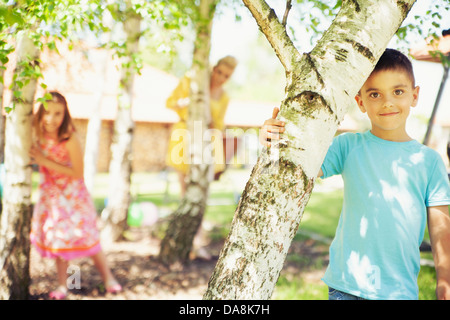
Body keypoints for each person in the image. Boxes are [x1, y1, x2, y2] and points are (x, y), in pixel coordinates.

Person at [259, 49, 450, 300]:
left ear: (414, 96)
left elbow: (441, 231)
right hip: (346, 287)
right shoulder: (347, 146)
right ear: (360, 102)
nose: (388, 102)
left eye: (398, 91)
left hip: (399, 292)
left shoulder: (429, 162)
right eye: (374, 94)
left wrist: (444, 283)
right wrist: (271, 141)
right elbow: (298, 166)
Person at [29, 91, 122, 300]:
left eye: (58, 114)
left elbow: (77, 172)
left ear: (65, 115)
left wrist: (44, 162)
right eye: (48, 113)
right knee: (59, 239)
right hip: (51, 196)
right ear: (40, 113)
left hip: (73, 195)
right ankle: (63, 286)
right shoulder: (36, 132)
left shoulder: (69, 137)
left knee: (88, 236)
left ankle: (109, 278)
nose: (51, 119)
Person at [165, 55, 238, 196]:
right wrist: (187, 102)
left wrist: (212, 127)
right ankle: (185, 201)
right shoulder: (193, 81)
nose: (221, 78)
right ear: (214, 69)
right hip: (185, 131)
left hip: (207, 136)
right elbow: (170, 102)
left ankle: (197, 203)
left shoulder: (224, 97)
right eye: (220, 72)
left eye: (226, 76)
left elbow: (219, 124)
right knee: (183, 176)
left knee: (202, 177)